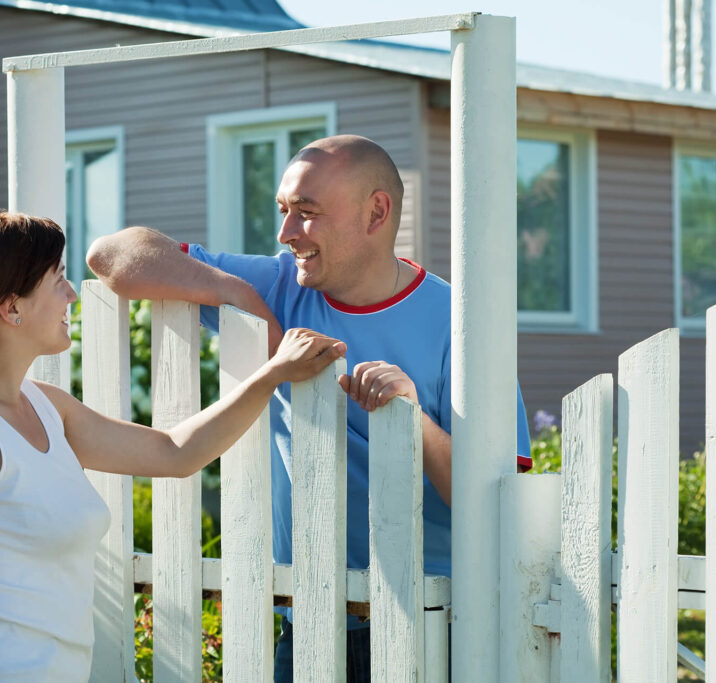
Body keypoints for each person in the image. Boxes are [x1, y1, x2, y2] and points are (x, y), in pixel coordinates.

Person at [87, 135, 531, 682]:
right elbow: (112, 254)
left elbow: (498, 504)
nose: (286, 233)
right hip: (308, 615)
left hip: (434, 625)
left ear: (376, 212)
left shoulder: (459, 325)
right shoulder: (278, 285)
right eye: (283, 211)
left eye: (307, 213)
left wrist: (410, 419)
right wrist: (240, 296)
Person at [0, 211, 345, 683]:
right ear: (12, 308)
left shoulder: (43, 405)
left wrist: (273, 373)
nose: (72, 293)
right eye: (57, 280)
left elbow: (175, 452)